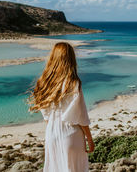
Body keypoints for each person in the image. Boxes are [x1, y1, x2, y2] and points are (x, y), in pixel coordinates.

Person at [29, 42, 94, 172]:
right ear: (71, 58)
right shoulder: (73, 82)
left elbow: (46, 115)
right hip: (71, 134)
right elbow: (80, 116)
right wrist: (89, 139)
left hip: (51, 134)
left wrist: (54, 127)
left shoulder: (44, 82)